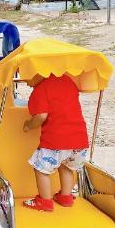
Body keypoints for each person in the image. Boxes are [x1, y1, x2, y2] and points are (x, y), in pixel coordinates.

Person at [22, 73, 89, 212]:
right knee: (66, 166)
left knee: (41, 169)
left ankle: (44, 201)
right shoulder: (68, 81)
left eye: (25, 74)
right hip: (79, 139)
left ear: (38, 71)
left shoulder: (40, 89)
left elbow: (41, 115)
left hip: (56, 141)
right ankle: (66, 197)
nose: (23, 79)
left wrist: (28, 125)